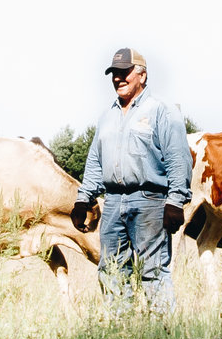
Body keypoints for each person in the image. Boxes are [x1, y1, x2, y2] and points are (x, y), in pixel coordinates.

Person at [74, 47, 192, 312]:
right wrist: (83, 200)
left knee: (153, 271)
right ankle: (121, 333)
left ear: (142, 75)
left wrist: (175, 202)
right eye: (114, 73)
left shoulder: (162, 111)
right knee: (112, 270)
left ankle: (162, 336)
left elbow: (178, 159)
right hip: (113, 202)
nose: (118, 78)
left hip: (150, 200)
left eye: (125, 72)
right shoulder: (107, 116)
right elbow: (95, 160)